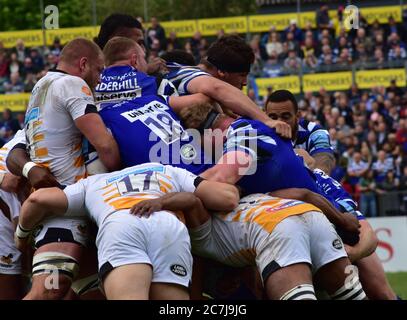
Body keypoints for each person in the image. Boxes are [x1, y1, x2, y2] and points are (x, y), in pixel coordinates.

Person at [15, 162, 239, 300]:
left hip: (122, 222)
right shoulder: (167, 170)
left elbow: (37, 199)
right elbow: (227, 198)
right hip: (168, 225)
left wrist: (21, 237)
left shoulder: (92, 182)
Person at [6, 38, 121, 300]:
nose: (100, 79)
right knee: (48, 292)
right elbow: (107, 150)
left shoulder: (41, 85)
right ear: (83, 64)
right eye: (99, 70)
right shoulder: (73, 84)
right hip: (67, 208)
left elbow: (19, 149)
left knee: (92, 292)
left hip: (56, 202)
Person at [131, 192, 367, 300]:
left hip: (276, 228)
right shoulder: (251, 196)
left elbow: (191, 200)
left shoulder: (199, 235)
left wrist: (159, 202)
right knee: (352, 296)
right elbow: (305, 194)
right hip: (311, 216)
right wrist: (342, 218)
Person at [163, 35, 291, 138]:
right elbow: (217, 88)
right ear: (222, 72)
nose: (245, 82)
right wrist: (267, 120)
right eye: (242, 75)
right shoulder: (187, 73)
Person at [264, 90, 335, 174]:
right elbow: (247, 172)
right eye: (273, 118)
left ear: (298, 116)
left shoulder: (315, 132)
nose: (279, 123)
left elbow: (323, 168)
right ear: (264, 117)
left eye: (285, 117)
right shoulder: (254, 132)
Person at [95, 13, 166, 75]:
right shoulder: (92, 76)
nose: (143, 50)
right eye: (138, 43)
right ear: (116, 43)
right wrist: (145, 71)